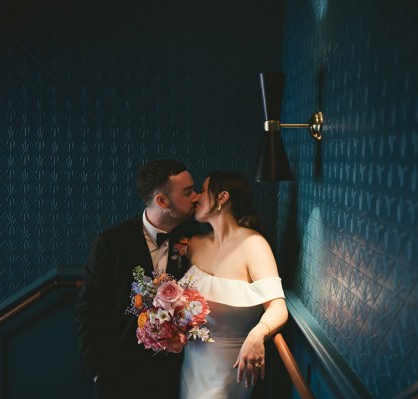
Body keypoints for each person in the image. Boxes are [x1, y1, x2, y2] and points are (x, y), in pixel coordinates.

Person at [74, 159, 200, 399]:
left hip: (175, 375)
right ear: (162, 201)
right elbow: (88, 309)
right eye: (187, 192)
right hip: (120, 374)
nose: (196, 196)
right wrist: (98, 372)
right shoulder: (111, 243)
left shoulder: (193, 237)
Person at [179, 170, 289, 399]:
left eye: (202, 191)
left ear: (222, 198)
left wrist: (258, 334)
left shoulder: (254, 245)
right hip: (192, 362)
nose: (196, 197)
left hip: (233, 364)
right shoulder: (193, 244)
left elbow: (278, 308)